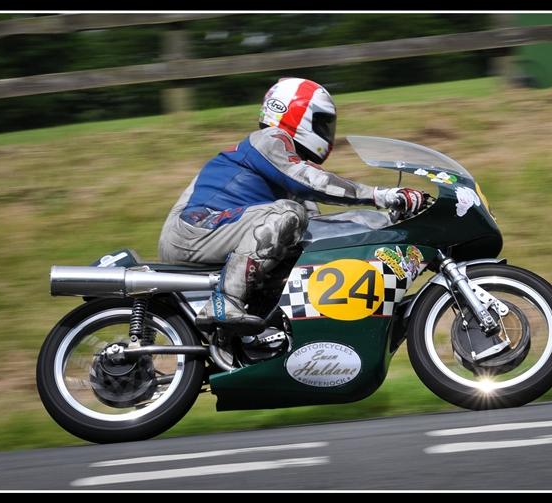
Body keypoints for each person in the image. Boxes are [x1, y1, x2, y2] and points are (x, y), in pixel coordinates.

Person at [158, 77, 427, 327]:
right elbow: (315, 182)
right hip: (193, 231)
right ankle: (225, 303)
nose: (327, 132)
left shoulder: (287, 170)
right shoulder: (270, 140)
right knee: (288, 214)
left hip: (213, 231)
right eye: (322, 122)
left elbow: (322, 231)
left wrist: (388, 222)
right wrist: (382, 196)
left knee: (302, 238)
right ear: (296, 115)